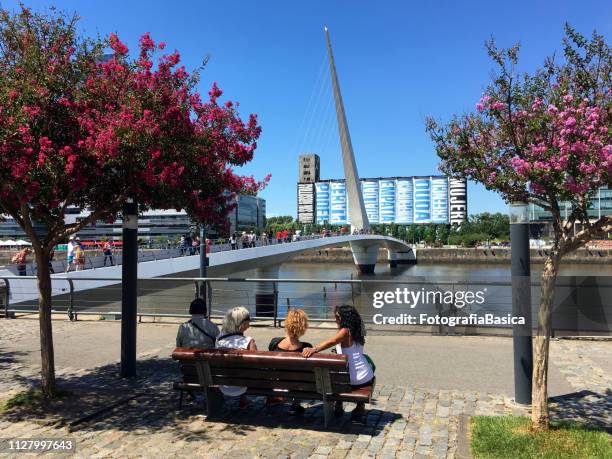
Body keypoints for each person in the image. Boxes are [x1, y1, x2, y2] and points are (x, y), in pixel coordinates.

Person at [302, 305, 374, 421]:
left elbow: (332, 341)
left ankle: (339, 404)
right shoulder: (359, 329)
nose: (335, 320)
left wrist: (314, 349)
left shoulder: (345, 331)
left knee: (335, 374)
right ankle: (360, 406)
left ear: (343, 318)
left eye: (336, 317)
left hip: (350, 380)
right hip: (365, 377)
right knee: (368, 364)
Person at [267, 309, 312, 415]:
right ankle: (296, 404)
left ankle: (271, 398)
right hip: (296, 384)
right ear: (303, 326)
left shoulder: (274, 343)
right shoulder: (306, 348)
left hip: (279, 382)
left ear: (287, 324)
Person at [216, 307, 257, 405]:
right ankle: (244, 399)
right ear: (242, 323)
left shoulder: (218, 339)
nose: (249, 323)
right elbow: (256, 366)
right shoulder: (249, 342)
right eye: (248, 321)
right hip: (242, 385)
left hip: (223, 384)